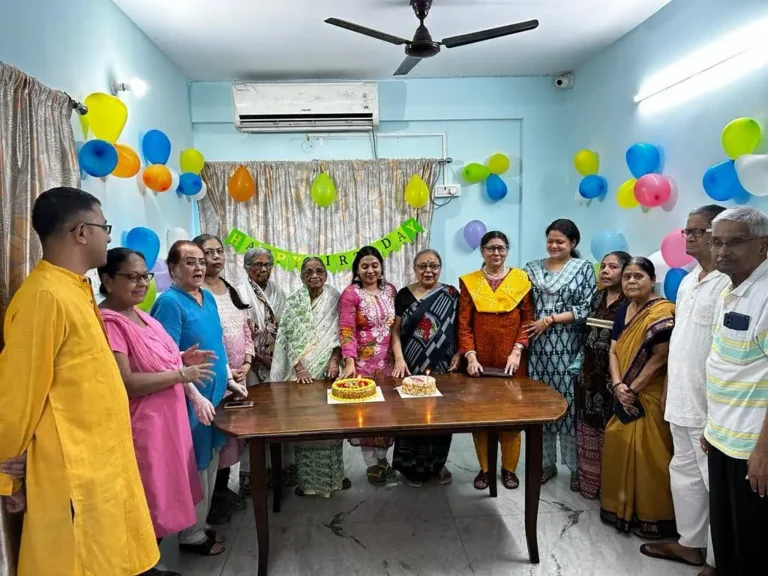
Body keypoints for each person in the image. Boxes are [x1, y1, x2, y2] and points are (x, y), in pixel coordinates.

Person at [0, 187, 159, 575]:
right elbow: (18, 393)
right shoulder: (44, 296)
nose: (108, 237)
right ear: (82, 232)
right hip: (71, 471)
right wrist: (6, 477)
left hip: (100, 462)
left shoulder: (74, 289)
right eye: (105, 227)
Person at [98, 247, 219, 569]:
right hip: (145, 427)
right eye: (132, 277)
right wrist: (181, 374)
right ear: (108, 281)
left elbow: (154, 359)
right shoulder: (110, 322)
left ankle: (150, 562)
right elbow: (126, 382)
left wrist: (181, 358)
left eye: (145, 276)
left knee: (168, 494)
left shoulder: (140, 315)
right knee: (151, 499)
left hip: (169, 422)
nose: (141, 283)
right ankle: (140, 566)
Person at [639, 206, 727, 574]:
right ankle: (691, 544)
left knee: (716, 482)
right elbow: (681, 340)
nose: (688, 237)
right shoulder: (690, 280)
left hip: (713, 404)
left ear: (718, 235)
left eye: (697, 231)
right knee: (685, 474)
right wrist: (670, 387)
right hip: (681, 396)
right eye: (686, 231)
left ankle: (718, 559)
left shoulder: (729, 283)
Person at [151, 241, 247, 555]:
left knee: (212, 461)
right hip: (191, 403)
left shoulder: (206, 297)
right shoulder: (169, 303)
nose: (199, 268)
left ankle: (200, 525)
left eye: (201, 262)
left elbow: (216, 343)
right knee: (197, 466)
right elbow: (166, 358)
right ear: (173, 268)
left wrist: (229, 379)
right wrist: (193, 396)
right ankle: (191, 535)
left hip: (214, 398)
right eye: (189, 262)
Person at [703, 207, 768, 576]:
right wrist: (712, 426)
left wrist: (764, 451)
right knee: (726, 536)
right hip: (723, 437)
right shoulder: (730, 290)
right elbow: (726, 367)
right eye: (717, 242)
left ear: (763, 246)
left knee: (752, 545)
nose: (722, 251)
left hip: (753, 449)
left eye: (735, 242)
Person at [600, 256, 676, 540]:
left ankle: (653, 518)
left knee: (650, 457)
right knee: (618, 443)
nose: (631, 281)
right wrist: (618, 384)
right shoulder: (624, 309)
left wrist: (632, 389)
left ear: (652, 280)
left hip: (648, 394)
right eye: (627, 276)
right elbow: (613, 350)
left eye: (638, 276)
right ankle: (621, 511)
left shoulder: (662, 311)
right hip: (624, 390)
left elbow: (660, 358)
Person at [458, 231, 534, 490]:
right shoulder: (470, 282)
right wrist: (470, 355)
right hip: (479, 361)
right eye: (490, 248)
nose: (496, 253)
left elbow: (527, 320)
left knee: (511, 416)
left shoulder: (521, 280)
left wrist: (518, 350)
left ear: (507, 250)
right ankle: (485, 469)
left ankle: (509, 469)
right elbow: (464, 324)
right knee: (480, 416)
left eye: (501, 248)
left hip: (512, 360)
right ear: (482, 251)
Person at [524, 219, 596, 490]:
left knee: (568, 405)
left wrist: (551, 319)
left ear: (572, 243)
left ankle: (575, 468)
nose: (554, 246)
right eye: (550, 241)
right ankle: (545, 464)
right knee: (539, 405)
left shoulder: (583, 268)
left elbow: (586, 308)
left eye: (560, 242)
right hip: (537, 348)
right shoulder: (531, 268)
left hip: (567, 345)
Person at [270, 257, 351, 497]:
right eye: (308, 272)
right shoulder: (294, 301)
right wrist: (299, 368)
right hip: (301, 376)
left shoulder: (335, 297)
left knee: (331, 426)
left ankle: (335, 479)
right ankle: (308, 483)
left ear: (325, 274)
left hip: (329, 372)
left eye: (318, 271)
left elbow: (341, 333)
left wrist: (335, 361)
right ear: (301, 277)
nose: (314, 275)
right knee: (306, 425)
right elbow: (287, 337)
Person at [195, 234, 253, 521]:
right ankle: (211, 497)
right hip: (212, 378)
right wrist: (228, 370)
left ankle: (222, 489)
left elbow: (245, 328)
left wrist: (248, 361)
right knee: (213, 437)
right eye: (209, 252)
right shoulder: (196, 294)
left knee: (232, 438)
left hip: (239, 377)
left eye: (219, 251)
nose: (216, 257)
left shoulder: (231, 289)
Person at [392, 249, 458, 487]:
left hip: (442, 365)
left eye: (433, 266)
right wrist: (399, 359)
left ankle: (437, 465)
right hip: (410, 364)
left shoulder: (451, 294)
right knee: (411, 416)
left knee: (441, 417)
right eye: (422, 266)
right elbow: (395, 331)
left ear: (440, 268)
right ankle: (410, 468)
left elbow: (460, 327)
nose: (428, 271)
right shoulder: (403, 294)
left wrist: (459, 353)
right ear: (414, 268)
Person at [339, 246, 398, 485]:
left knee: (386, 415)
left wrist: (399, 358)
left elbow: (395, 328)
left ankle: (383, 459)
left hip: (388, 365)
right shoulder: (350, 294)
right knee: (365, 416)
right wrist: (349, 363)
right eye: (364, 266)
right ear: (357, 269)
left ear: (381, 267)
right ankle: (371, 463)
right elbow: (347, 330)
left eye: (374, 265)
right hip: (361, 366)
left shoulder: (391, 290)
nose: (370, 270)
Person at [575, 250, 630, 500]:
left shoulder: (630, 303)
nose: (605, 271)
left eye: (613, 267)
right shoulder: (596, 297)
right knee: (588, 428)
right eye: (604, 266)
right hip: (589, 376)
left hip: (615, 379)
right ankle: (589, 483)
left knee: (611, 432)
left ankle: (611, 492)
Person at [241, 246, 290, 493]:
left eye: (267, 264)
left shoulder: (277, 290)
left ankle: (281, 472)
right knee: (255, 420)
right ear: (246, 267)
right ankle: (254, 478)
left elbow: (285, 323)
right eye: (257, 265)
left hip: (277, 363)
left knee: (279, 417)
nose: (263, 269)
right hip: (251, 364)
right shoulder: (238, 291)